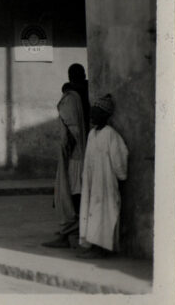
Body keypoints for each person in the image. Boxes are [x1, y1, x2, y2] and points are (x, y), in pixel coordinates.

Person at [43, 64, 89, 249]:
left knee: (71, 192)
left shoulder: (71, 98)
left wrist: (68, 150)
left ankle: (70, 232)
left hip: (75, 154)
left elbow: (73, 129)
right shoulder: (86, 92)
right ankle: (72, 232)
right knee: (77, 191)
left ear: (70, 77)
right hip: (84, 150)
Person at [77, 93, 128, 259]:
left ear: (105, 114)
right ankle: (92, 243)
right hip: (92, 182)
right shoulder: (92, 134)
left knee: (103, 212)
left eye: (96, 112)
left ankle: (101, 247)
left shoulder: (111, 135)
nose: (92, 115)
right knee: (91, 210)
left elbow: (120, 158)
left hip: (105, 182)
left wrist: (121, 175)